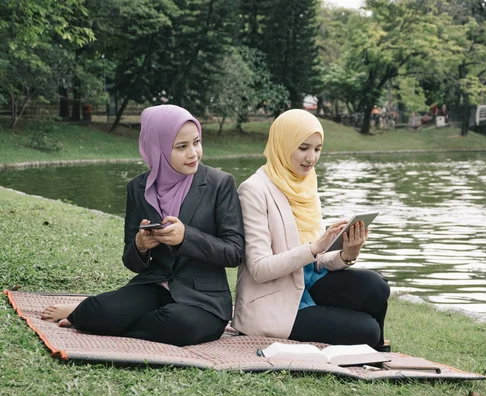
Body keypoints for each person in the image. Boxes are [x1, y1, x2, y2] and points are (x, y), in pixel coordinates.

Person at [41, 105, 245, 346]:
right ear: (156, 148)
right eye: (181, 147)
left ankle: (95, 319)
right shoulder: (138, 188)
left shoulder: (219, 184)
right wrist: (140, 245)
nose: (193, 154)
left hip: (202, 299)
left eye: (196, 142)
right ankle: (94, 314)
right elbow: (131, 261)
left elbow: (234, 252)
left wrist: (185, 237)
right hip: (154, 287)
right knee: (100, 308)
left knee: (179, 325)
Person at [232, 109, 390, 351]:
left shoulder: (306, 183)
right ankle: (371, 342)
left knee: (376, 286)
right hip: (276, 299)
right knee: (367, 329)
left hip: (312, 283)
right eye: (303, 148)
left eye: (317, 149)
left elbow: (318, 262)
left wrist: (347, 253)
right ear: (283, 144)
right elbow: (259, 269)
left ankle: (373, 346)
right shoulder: (253, 190)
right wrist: (314, 247)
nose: (311, 158)